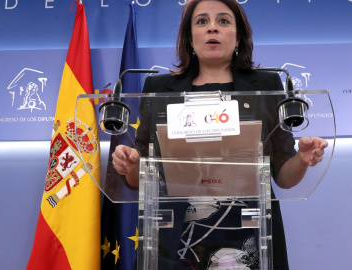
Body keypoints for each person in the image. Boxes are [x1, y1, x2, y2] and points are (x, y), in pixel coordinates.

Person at [111, 0, 328, 269]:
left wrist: (303, 159)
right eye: (202, 21)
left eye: (223, 21)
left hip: (251, 235)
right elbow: (141, 178)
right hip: (177, 238)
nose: (212, 28)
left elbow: (283, 176)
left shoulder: (266, 86)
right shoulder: (159, 89)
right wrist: (131, 164)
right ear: (190, 37)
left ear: (239, 36)